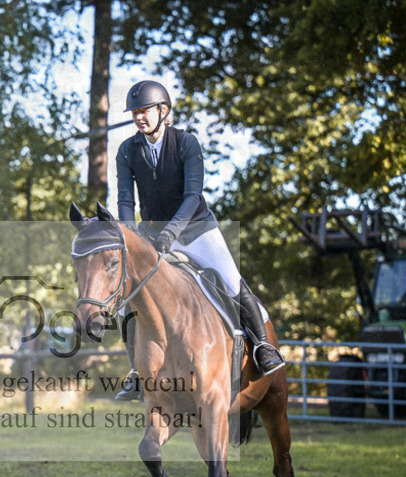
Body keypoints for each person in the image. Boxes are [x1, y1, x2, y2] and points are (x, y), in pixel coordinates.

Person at [113, 79, 284, 400]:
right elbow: (125, 201)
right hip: (152, 235)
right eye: (135, 112)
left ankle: (262, 346)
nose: (138, 117)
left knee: (232, 283)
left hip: (197, 230)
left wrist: (169, 234)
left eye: (144, 111)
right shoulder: (127, 151)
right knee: (127, 298)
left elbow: (192, 196)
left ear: (163, 111)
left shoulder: (186, 143)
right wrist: (129, 237)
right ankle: (137, 369)